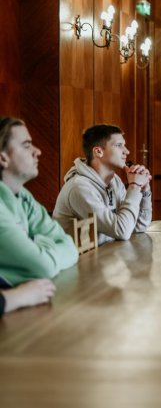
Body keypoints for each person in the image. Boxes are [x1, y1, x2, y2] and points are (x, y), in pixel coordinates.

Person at [0, 116, 78, 287]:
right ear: (3, 158)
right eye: (26, 145)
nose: (38, 151)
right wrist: (42, 246)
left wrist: (34, 242)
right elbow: (44, 267)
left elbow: (71, 247)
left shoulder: (23, 195)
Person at [53, 124, 152, 245]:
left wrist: (144, 189)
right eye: (119, 145)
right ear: (98, 151)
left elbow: (138, 227)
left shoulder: (114, 181)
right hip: (76, 257)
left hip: (105, 253)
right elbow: (122, 231)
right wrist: (134, 186)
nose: (127, 151)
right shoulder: (79, 188)